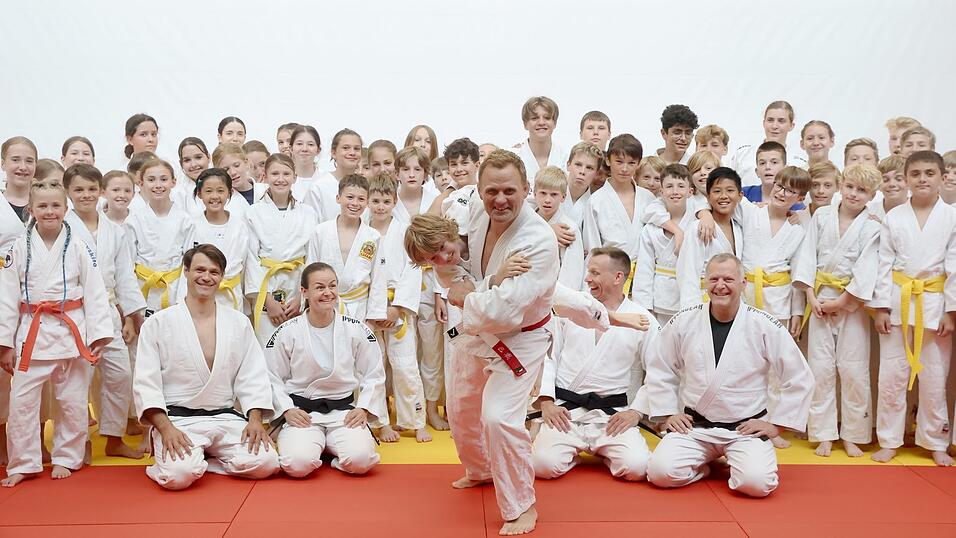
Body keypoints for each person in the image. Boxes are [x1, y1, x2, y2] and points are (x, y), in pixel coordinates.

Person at [441, 149, 558, 535]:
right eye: (491, 190)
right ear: (478, 190)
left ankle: (522, 504)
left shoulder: (538, 240)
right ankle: (481, 470)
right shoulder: (475, 209)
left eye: (510, 190)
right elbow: (456, 259)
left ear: (527, 189)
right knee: (460, 406)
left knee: (498, 416)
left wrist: (463, 293)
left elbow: (504, 309)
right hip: (477, 328)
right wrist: (456, 277)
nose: (500, 199)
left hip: (519, 336)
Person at [643, 253, 814, 498]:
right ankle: (705, 466)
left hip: (743, 430)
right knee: (660, 474)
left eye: (728, 279)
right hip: (695, 427)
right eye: (713, 279)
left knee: (756, 485)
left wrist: (776, 425)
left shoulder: (764, 324)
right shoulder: (684, 320)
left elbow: (799, 376)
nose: (720, 285)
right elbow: (660, 365)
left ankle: (732, 460)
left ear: (744, 283)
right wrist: (668, 413)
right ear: (705, 282)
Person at [134, 244, 279, 490]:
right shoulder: (158, 323)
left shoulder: (238, 322)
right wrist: (165, 428)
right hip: (178, 421)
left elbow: (253, 375)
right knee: (178, 477)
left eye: (214, 272)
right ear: (186, 272)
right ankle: (178, 460)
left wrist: (254, 421)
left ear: (222, 277)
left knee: (267, 463)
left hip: (225, 417)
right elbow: (146, 383)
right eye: (200, 269)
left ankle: (204, 460)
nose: (206, 277)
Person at [0, 181, 114, 487]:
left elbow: (95, 290)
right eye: (43, 206)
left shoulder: (78, 244)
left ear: (65, 209)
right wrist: (4, 344)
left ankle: (67, 456)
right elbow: (7, 296)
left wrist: (99, 336)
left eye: (55, 206)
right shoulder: (18, 248)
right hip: (32, 333)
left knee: (73, 401)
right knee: (22, 404)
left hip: (69, 331)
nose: (49, 212)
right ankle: (24, 461)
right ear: (31, 210)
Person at [531, 247, 657, 481]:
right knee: (542, 466)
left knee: (637, 467)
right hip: (566, 412)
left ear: (618, 277)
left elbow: (659, 371)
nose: (587, 278)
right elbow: (548, 355)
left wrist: (636, 412)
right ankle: (570, 448)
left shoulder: (642, 318)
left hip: (610, 417)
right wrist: (547, 403)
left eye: (595, 273)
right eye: (588, 272)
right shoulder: (571, 308)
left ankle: (602, 448)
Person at [870, 150, 956, 467]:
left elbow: (955, 265)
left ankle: (935, 441)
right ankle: (890, 440)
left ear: (942, 176)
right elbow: (883, 264)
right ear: (906, 179)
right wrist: (880, 307)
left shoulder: (952, 217)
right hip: (897, 300)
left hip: (935, 303)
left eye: (929, 173)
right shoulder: (894, 217)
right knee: (892, 375)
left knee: (935, 375)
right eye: (916, 173)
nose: (922, 179)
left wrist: (951, 310)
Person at [792, 164, 881, 457]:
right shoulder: (822, 215)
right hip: (819, 297)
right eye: (851, 187)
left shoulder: (872, 225)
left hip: (851, 302)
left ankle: (854, 433)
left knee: (853, 368)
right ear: (841, 185)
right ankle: (823, 432)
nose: (854, 194)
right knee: (820, 367)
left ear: (872, 195)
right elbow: (807, 255)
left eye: (862, 190)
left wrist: (843, 301)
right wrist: (810, 295)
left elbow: (868, 267)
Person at [266, 262, 385, 477]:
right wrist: (286, 410)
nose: (327, 293)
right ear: (304, 292)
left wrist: (364, 408)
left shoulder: (355, 329)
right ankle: (320, 445)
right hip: (302, 413)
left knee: (361, 461)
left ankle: (329, 449)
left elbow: (374, 373)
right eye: (319, 287)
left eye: (332, 286)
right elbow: (271, 376)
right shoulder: (287, 331)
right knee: (297, 465)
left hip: (343, 413)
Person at [64, 164, 147, 459]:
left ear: (100, 191)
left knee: (120, 374)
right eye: (78, 190)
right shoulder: (63, 226)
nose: (85, 195)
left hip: (110, 311)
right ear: (68, 193)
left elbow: (125, 274)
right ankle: (80, 441)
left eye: (90, 189)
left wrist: (130, 315)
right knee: (78, 379)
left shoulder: (114, 229)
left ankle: (113, 437)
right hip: (75, 312)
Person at [367, 174, 428, 442]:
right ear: (369, 202)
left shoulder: (405, 230)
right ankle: (380, 421)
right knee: (374, 365)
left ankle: (415, 421)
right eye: (376, 201)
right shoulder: (362, 230)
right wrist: (376, 308)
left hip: (398, 307)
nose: (380, 206)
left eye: (386, 201)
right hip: (369, 307)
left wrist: (397, 308)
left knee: (405, 365)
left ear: (395, 201)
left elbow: (414, 269)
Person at [245, 154, 318, 345]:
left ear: (295, 177)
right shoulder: (253, 213)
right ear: (265, 176)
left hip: (297, 288)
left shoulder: (308, 213)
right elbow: (251, 258)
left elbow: (312, 256)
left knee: (299, 349)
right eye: (275, 173)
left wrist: (302, 298)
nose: (280, 179)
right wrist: (268, 301)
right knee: (268, 350)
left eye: (286, 173)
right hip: (266, 290)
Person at [306, 174, 387, 324]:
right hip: (325, 304)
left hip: (360, 308)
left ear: (367, 202)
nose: (355, 203)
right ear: (338, 198)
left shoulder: (372, 236)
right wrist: (311, 307)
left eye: (361, 199)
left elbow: (378, 279)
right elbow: (310, 271)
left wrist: (373, 318)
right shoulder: (320, 231)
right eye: (350, 197)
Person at [583, 134, 656, 288]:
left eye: (631, 163)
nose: (624, 169)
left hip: (645, 276)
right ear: (608, 160)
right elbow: (593, 248)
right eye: (619, 162)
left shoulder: (648, 198)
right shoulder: (596, 201)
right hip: (609, 277)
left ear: (638, 164)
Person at [126, 158, 195, 316]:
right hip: (143, 290)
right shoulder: (133, 221)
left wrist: (182, 299)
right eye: (151, 180)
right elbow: (127, 266)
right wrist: (132, 305)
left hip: (175, 288)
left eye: (164, 179)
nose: (158, 185)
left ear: (173, 182)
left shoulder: (185, 221)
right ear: (140, 183)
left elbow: (188, 264)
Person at [634, 164, 695, 324]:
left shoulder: (698, 223)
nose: (675, 191)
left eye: (681, 186)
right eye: (669, 186)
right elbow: (644, 269)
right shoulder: (651, 229)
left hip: (692, 296)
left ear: (690, 192)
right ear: (661, 192)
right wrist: (643, 307)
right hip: (660, 298)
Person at [676, 168, 744, 309]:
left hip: (731, 302)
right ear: (707, 197)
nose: (724, 196)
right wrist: (691, 312)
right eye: (717, 191)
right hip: (702, 301)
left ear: (740, 196)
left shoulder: (739, 227)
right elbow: (688, 273)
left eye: (730, 190)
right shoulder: (698, 228)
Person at [187, 168, 250, 310]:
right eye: (208, 191)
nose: (215, 196)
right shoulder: (192, 226)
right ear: (199, 193)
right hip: (200, 293)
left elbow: (246, 264)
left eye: (220, 191)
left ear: (229, 193)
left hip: (231, 294)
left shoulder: (240, 226)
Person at [729, 101, 807, 187]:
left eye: (781, 121)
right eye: (770, 120)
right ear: (764, 123)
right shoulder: (742, 154)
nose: (774, 126)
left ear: (791, 125)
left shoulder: (799, 164)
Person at [534, 166, 584, 291]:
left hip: (553, 294)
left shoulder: (569, 228)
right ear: (534, 194)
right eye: (543, 193)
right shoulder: (525, 222)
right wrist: (548, 232)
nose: (547, 200)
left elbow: (571, 274)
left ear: (563, 197)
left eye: (554, 194)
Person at [305, 128, 364, 223]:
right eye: (346, 148)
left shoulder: (366, 186)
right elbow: (310, 226)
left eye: (356, 149)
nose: (352, 153)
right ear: (333, 152)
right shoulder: (319, 188)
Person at [513, 96, 564, 189]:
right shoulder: (512, 158)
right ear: (525, 124)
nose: (541, 122)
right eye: (534, 118)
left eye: (547, 118)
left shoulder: (565, 158)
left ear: (555, 123)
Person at [562, 142, 604, 230]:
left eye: (589, 168)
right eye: (578, 165)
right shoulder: (550, 192)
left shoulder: (596, 204)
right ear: (568, 165)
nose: (582, 171)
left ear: (596, 173)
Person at [2, 136, 38, 224]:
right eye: (15, 160)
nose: (23, 167)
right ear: (2, 164)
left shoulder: (49, 202)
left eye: (29, 161)